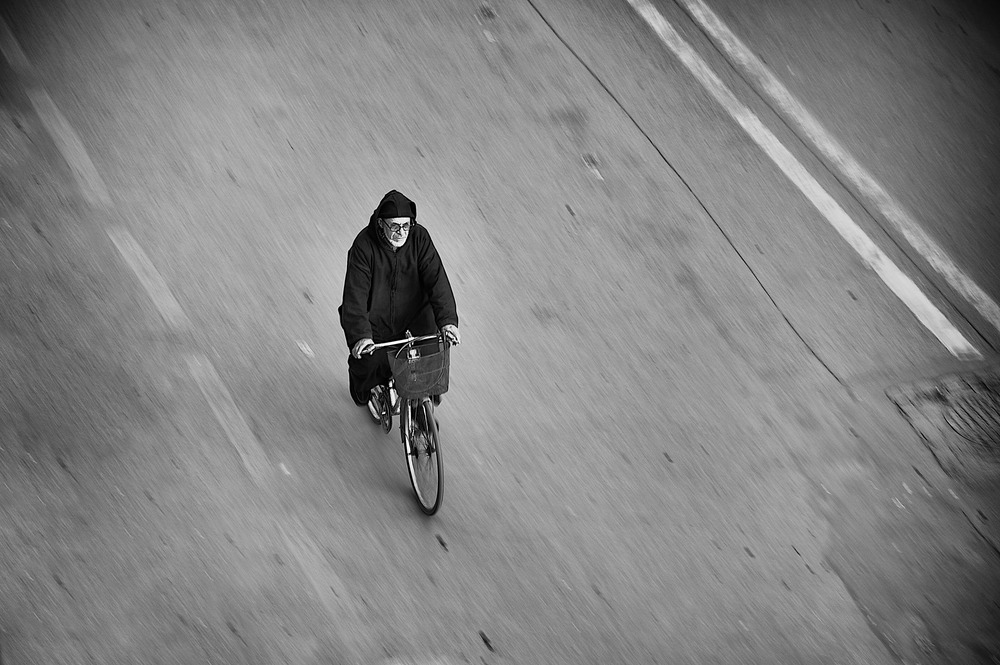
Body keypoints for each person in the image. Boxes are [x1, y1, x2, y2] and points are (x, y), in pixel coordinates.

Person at [339, 190, 460, 417]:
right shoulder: (364, 247)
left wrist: (448, 321)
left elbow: (437, 280)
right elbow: (354, 296)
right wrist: (361, 336)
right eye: (394, 226)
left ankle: (423, 409)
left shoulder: (420, 238)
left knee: (431, 357)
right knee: (366, 364)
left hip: (416, 318)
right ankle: (371, 393)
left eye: (406, 226)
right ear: (381, 223)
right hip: (377, 324)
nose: (400, 232)